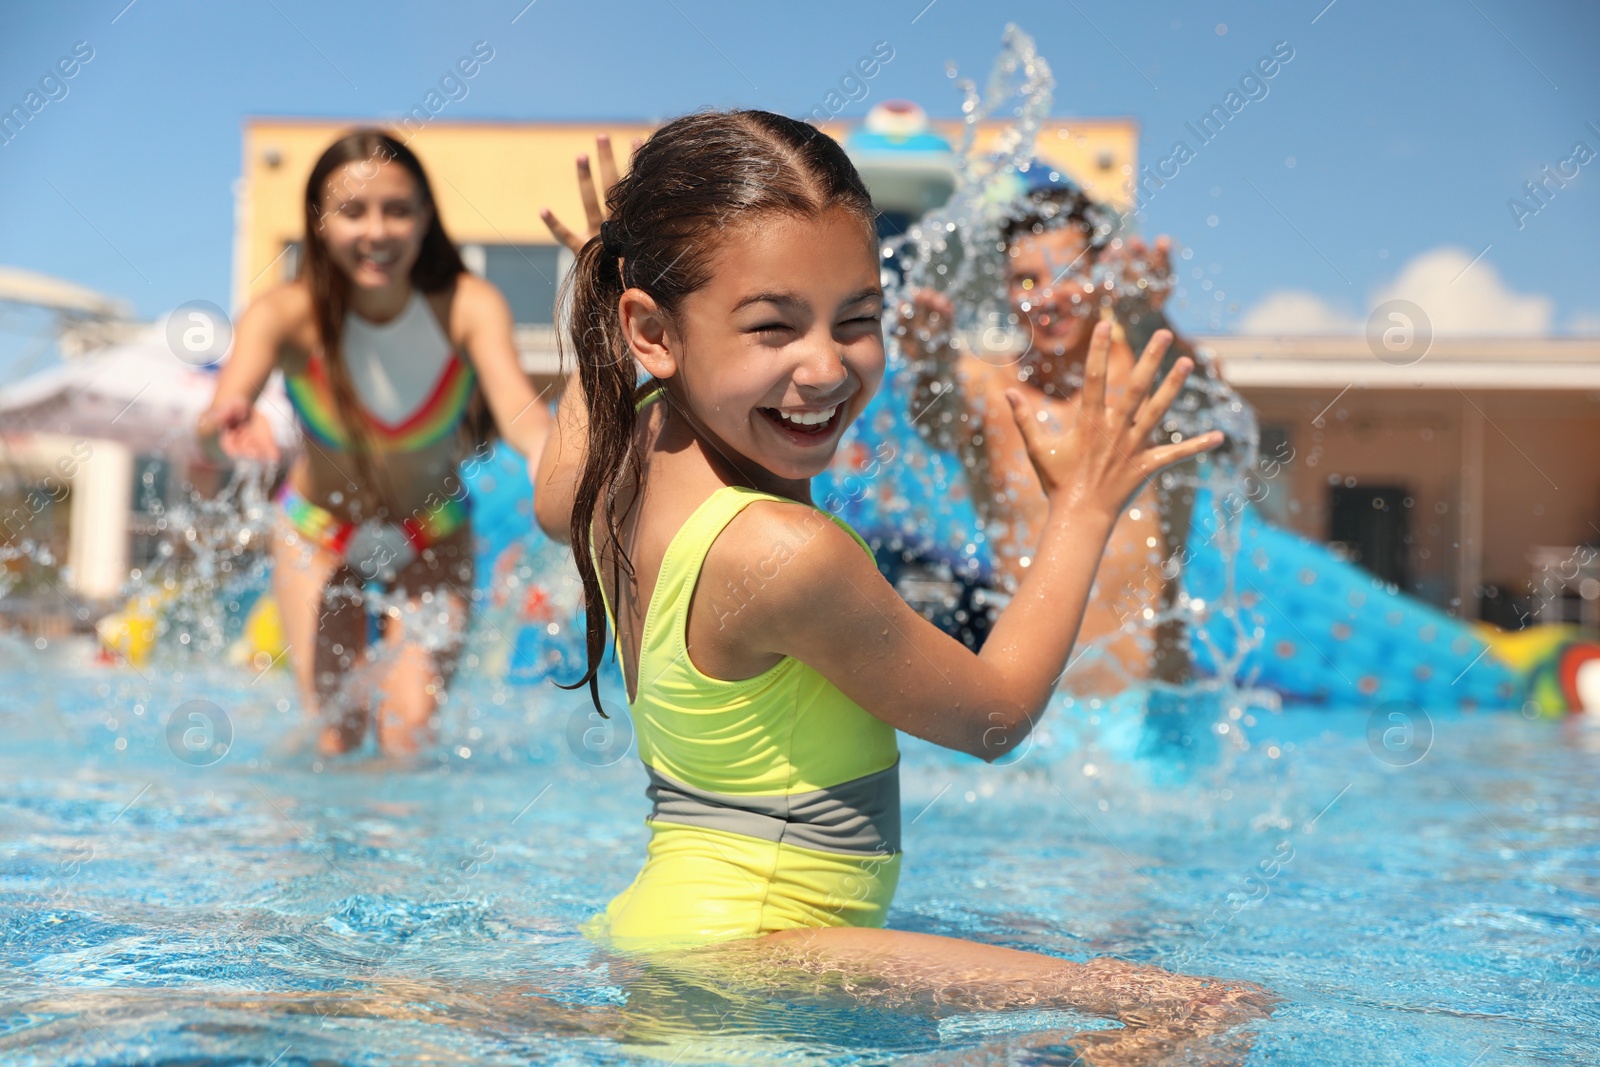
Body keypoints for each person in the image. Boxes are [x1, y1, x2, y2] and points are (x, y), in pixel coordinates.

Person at [534, 114, 1271, 1059]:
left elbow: (551, 488)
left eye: (857, 319)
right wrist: (1081, 509)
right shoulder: (784, 552)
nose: (826, 365)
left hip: (673, 934)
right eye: (773, 326)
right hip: (759, 963)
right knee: (1202, 1009)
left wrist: (613, 296)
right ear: (655, 330)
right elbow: (994, 717)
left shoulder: (614, 465)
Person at [198, 129, 552, 758]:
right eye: (352, 211)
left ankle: (406, 857)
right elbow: (218, 423)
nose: (377, 231)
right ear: (319, 221)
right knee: (336, 735)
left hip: (434, 534)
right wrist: (226, 424)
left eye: (397, 209)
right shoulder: (285, 314)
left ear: (424, 220)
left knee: (407, 734)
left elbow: (525, 420)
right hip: (318, 534)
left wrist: (564, 458)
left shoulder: (468, 307)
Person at [898, 179, 1210, 695]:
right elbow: (936, 423)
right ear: (1003, 288)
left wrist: (1148, 316)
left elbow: (1209, 413)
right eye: (1026, 280)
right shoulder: (992, 391)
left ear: (1101, 276)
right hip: (1033, 714)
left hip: (1153, 710)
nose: (1048, 298)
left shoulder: (1147, 380)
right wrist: (930, 363)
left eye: (1069, 274)